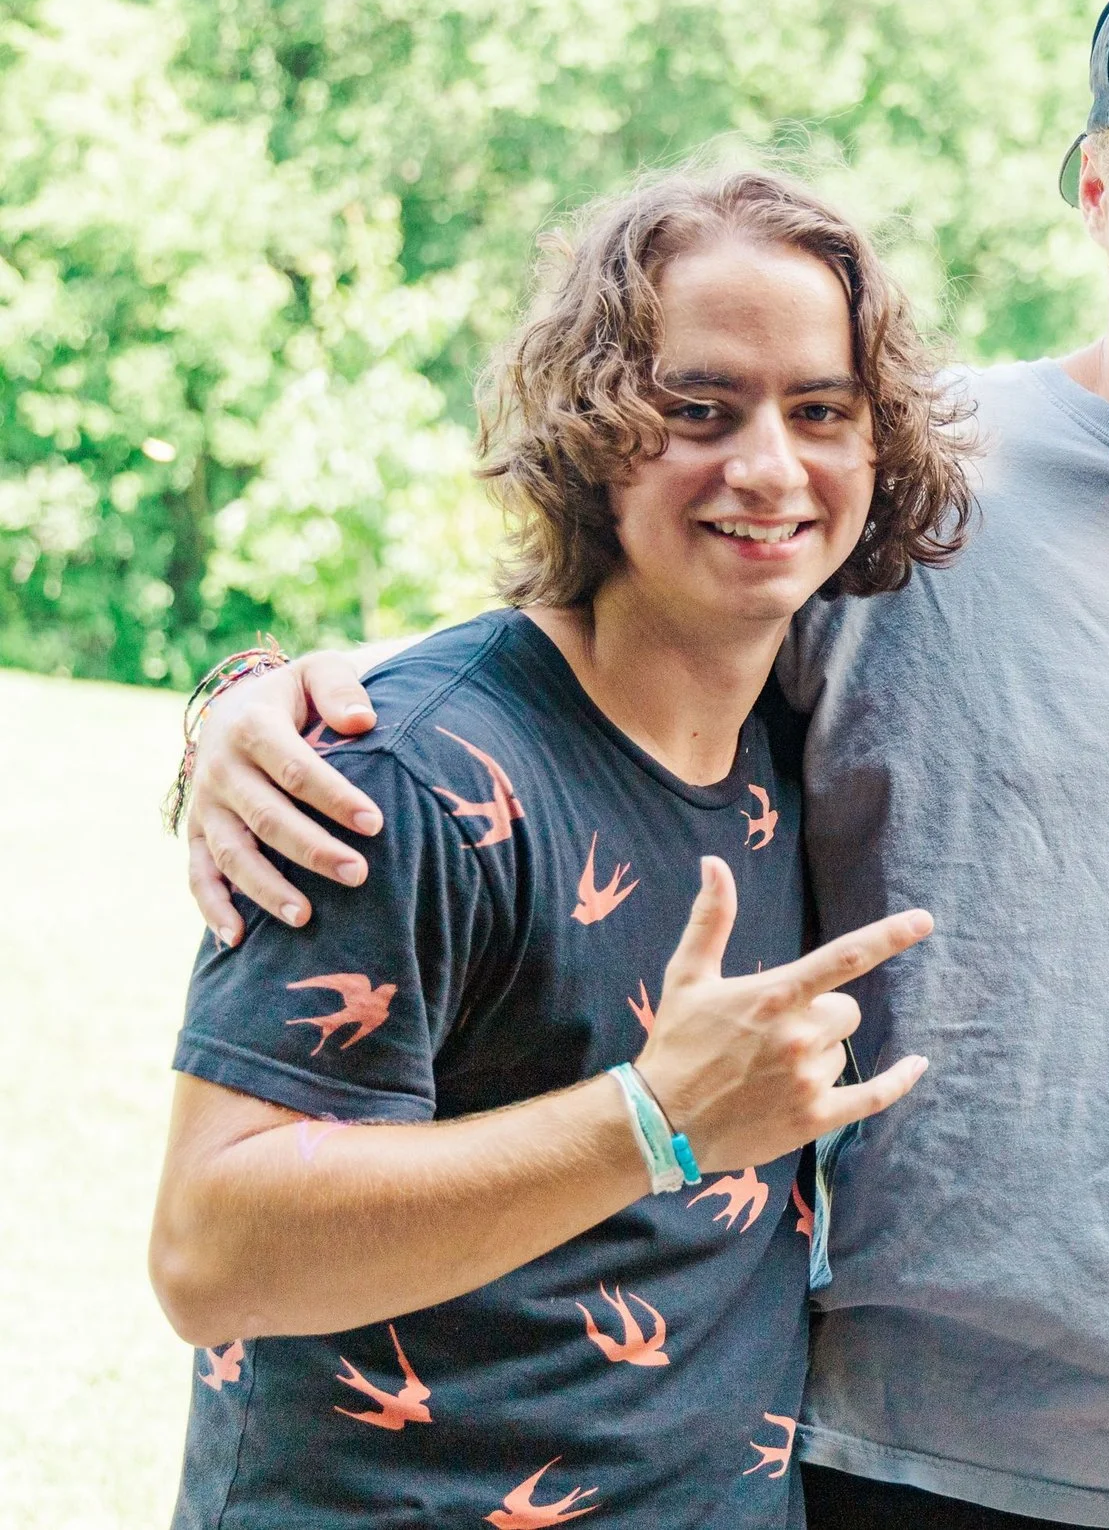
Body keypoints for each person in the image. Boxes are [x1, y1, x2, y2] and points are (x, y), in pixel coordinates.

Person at [175, 0, 1109, 1527]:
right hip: (890, 1458)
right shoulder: (903, 483)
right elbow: (565, 645)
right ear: (1096, 185)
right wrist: (253, 696)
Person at [146, 168, 972, 1527]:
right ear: (593, 427)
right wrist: (651, 1122)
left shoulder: (799, 729)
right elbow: (207, 1248)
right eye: (698, 409)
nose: (768, 466)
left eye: (819, 410)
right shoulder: (392, 773)